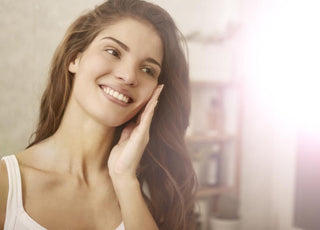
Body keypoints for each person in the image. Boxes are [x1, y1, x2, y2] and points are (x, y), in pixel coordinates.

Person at [0, 0, 197, 229]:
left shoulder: (142, 200)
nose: (128, 76)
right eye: (113, 52)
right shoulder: (6, 185)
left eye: (147, 70)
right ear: (75, 58)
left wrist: (123, 177)